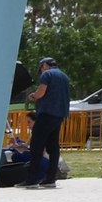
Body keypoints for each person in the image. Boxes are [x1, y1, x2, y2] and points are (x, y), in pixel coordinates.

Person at [23, 56, 70, 188]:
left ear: (44, 65)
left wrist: (32, 96)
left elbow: (41, 93)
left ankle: (32, 179)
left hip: (46, 114)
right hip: (59, 115)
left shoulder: (47, 74)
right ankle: (50, 179)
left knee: (36, 147)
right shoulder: (64, 76)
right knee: (53, 147)